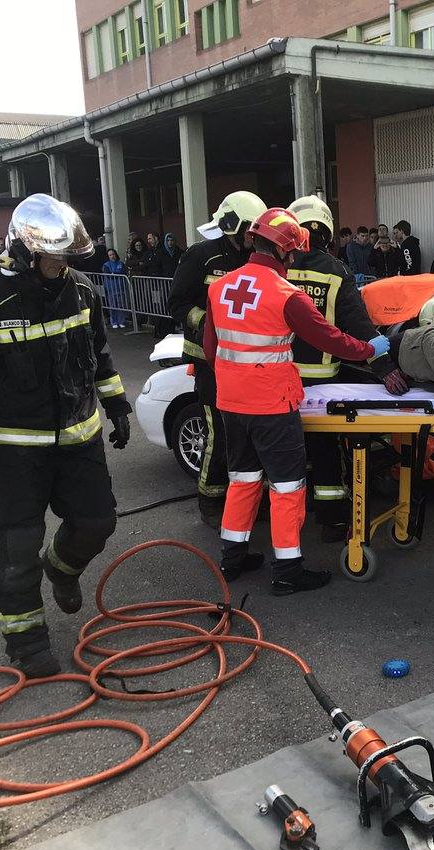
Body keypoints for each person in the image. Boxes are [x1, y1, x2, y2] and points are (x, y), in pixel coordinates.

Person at [0, 193, 131, 676]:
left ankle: (62, 569)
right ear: (26, 251)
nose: (61, 266)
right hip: (15, 450)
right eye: (53, 257)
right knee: (17, 545)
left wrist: (116, 406)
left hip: (78, 438)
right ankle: (26, 642)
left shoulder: (83, 290)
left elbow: (100, 356)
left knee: (97, 523)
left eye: (67, 257)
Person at [202, 207, 390, 590]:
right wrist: (369, 350)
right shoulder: (287, 295)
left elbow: (210, 349)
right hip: (272, 404)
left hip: (230, 404)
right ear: (287, 252)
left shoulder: (220, 287)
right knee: (287, 486)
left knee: (242, 478)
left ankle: (232, 559)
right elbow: (328, 338)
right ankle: (288, 571)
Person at [286, 195, 409, 541]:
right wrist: (385, 367)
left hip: (279, 381)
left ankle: (284, 519)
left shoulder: (278, 270)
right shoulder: (336, 272)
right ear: (326, 233)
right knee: (325, 455)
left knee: (286, 453)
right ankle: (332, 520)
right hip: (322, 385)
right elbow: (359, 326)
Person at [169, 190, 268, 527]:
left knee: (251, 433)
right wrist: (209, 323)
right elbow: (177, 304)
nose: (251, 238)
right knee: (220, 433)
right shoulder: (201, 256)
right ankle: (211, 501)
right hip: (211, 363)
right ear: (232, 225)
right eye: (247, 231)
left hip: (245, 361)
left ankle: (251, 499)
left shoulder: (253, 259)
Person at [101, 248, 129, 329]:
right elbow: (109, 275)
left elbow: (123, 272)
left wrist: (114, 273)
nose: (112, 256)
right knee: (113, 306)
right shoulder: (106, 265)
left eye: (113, 254)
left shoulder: (121, 263)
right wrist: (115, 274)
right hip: (111, 289)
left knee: (121, 305)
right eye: (110, 255)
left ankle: (121, 321)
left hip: (120, 287)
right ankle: (114, 321)